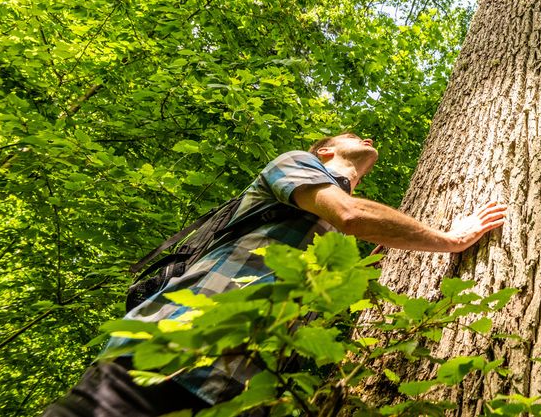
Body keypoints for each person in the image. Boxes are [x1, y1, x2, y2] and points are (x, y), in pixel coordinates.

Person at [45, 131, 507, 417]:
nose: (363, 136)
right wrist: (450, 238)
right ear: (323, 149)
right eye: (349, 133)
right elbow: (349, 214)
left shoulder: (330, 241)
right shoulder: (295, 164)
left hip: (236, 392)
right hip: (166, 358)